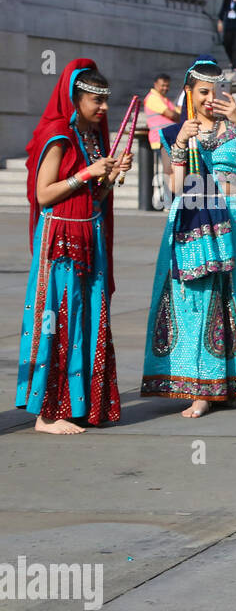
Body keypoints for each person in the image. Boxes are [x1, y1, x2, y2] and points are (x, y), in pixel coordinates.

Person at [142, 57, 236, 416]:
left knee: (235, 297)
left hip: (233, 220)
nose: (210, 99)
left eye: (216, 92)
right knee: (195, 302)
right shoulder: (174, 134)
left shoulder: (234, 130)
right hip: (193, 220)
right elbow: (176, 186)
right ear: (188, 92)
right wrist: (181, 143)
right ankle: (201, 389)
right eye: (202, 92)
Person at [17, 59, 130, 434]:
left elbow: (94, 197)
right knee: (58, 320)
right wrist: (86, 173)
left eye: (105, 101)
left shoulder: (92, 137)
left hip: (89, 237)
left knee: (88, 318)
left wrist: (110, 177)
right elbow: (44, 193)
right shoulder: (58, 136)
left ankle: (81, 404)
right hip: (61, 240)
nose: (103, 109)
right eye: (95, 101)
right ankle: (47, 412)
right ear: (75, 98)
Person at [143, 74, 182, 151]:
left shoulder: (164, 99)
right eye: (163, 85)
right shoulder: (152, 98)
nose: (165, 88)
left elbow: (179, 113)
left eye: (167, 86)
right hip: (161, 139)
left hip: (169, 138)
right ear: (155, 84)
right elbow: (172, 115)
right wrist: (179, 116)